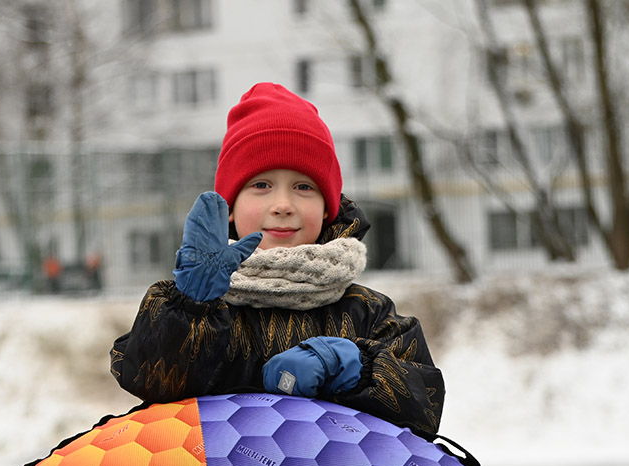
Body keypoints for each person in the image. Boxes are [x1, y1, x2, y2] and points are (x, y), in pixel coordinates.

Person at [109, 82, 444, 433]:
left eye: (304, 187)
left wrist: (355, 369)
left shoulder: (368, 311)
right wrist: (191, 307)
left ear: (328, 208)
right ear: (230, 209)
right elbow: (151, 380)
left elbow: (424, 411)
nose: (283, 205)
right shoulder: (204, 302)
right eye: (261, 185)